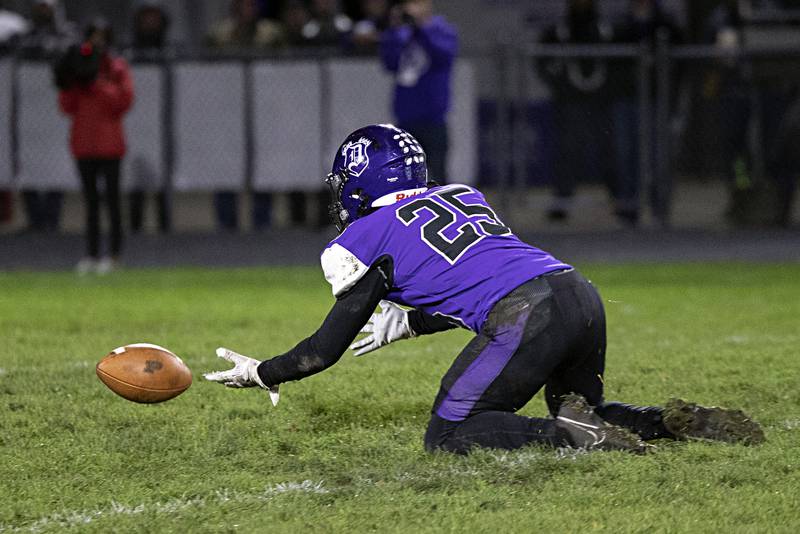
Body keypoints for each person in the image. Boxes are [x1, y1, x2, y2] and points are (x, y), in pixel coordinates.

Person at [204, 123, 764, 454]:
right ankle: (665, 423)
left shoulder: (363, 238)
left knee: (448, 434)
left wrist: (263, 372)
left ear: (359, 180)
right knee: (579, 404)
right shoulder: (461, 194)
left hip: (526, 312)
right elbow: (483, 275)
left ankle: (572, 437)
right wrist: (413, 320)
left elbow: (323, 351)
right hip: (578, 293)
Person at [57, 18, 133, 274]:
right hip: (84, 145)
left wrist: (97, 82)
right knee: (90, 204)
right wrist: (70, 80)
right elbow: (66, 106)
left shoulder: (116, 67)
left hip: (110, 146)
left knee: (112, 203)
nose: (98, 42)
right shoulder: (80, 67)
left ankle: (113, 255)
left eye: (102, 37)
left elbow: (123, 102)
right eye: (94, 37)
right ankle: (91, 254)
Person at [537, 0, 615, 223]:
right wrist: (557, 82)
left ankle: (622, 202)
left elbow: (618, 63)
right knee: (567, 151)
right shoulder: (562, 29)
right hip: (570, 100)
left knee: (608, 150)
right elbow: (542, 58)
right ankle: (562, 201)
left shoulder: (603, 28)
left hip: (601, 100)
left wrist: (610, 87)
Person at [380, 0, 457, 184]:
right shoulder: (402, 33)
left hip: (433, 119)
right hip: (406, 119)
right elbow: (389, 62)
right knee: (405, 178)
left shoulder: (442, 29)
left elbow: (442, 55)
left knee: (438, 175)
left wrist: (421, 28)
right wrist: (393, 29)